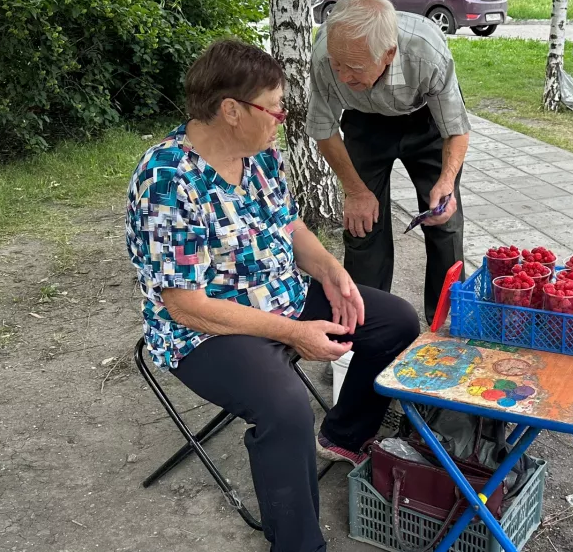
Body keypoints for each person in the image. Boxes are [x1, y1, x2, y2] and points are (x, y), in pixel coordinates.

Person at [125, 39, 420, 552]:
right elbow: (185, 305)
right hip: (205, 330)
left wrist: (331, 272)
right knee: (284, 407)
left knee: (394, 319)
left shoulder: (258, 156)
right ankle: (299, 545)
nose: (282, 116)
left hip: (279, 296)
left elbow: (288, 225)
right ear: (231, 110)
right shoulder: (167, 181)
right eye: (274, 106)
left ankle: (344, 437)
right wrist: (293, 334)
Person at [308, 0, 468, 325]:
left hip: (425, 121)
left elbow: (455, 127)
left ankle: (447, 323)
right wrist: (355, 191)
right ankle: (363, 325)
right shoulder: (327, 52)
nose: (341, 77)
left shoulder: (426, 49)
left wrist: (447, 181)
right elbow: (323, 129)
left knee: (444, 221)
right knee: (362, 226)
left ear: (389, 54)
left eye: (352, 68)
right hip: (363, 123)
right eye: (337, 65)